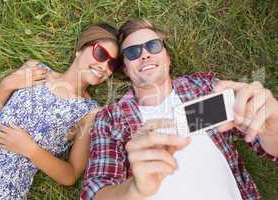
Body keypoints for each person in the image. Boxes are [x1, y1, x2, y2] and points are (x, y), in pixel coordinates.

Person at [80, 19, 278, 200]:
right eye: (132, 52)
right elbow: (96, 191)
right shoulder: (111, 118)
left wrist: (273, 127)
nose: (145, 54)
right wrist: (133, 189)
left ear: (167, 57)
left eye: (153, 46)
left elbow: (264, 142)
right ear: (125, 68)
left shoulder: (203, 87)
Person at [0, 22, 120, 200]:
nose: (104, 66)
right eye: (101, 54)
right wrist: (7, 84)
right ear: (80, 49)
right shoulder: (36, 70)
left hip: (2, 191)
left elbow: (70, 175)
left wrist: (30, 149)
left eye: (112, 64)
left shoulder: (89, 113)